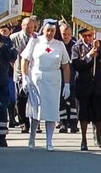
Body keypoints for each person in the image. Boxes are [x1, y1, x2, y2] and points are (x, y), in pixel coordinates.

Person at [21, 19, 70, 150]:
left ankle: (49, 141)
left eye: (52, 31)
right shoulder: (35, 40)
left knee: (51, 111)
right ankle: (32, 138)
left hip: (53, 80)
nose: (50, 33)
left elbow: (65, 65)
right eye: (47, 30)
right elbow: (25, 60)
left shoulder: (59, 45)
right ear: (43, 29)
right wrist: (25, 78)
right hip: (37, 79)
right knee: (36, 110)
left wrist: (67, 84)